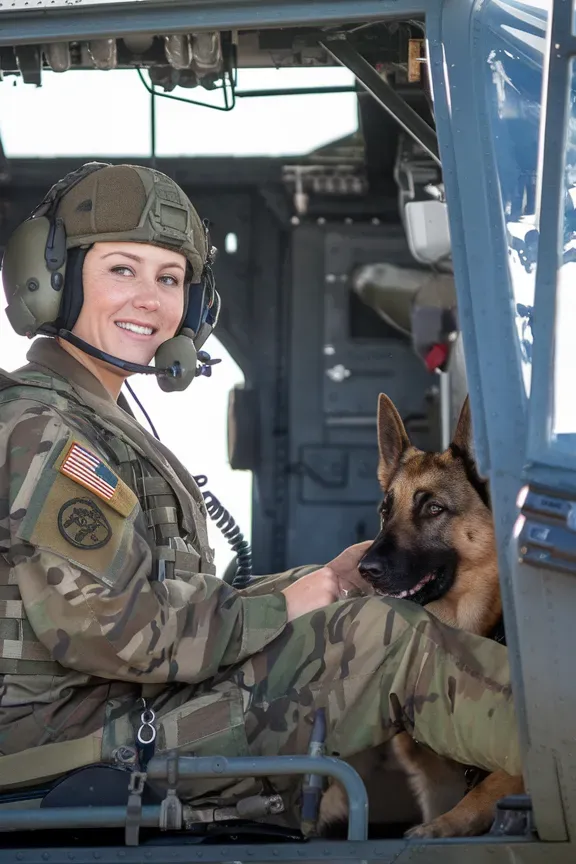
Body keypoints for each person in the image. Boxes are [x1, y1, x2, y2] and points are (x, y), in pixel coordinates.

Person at [0, 162, 521, 818]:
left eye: (170, 279)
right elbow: (114, 634)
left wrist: (319, 583)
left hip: (120, 711)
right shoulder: (46, 431)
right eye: (121, 270)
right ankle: (560, 757)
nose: (149, 299)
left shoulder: (95, 420)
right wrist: (288, 605)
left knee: (355, 610)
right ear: (51, 279)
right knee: (388, 638)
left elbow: (161, 608)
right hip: (75, 744)